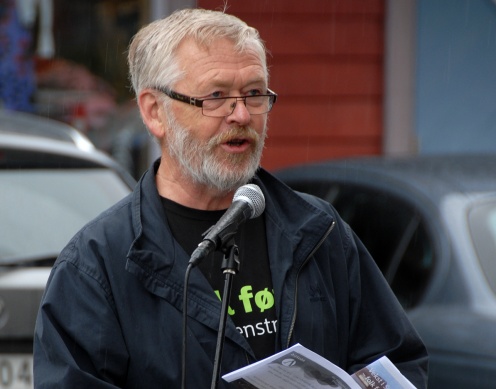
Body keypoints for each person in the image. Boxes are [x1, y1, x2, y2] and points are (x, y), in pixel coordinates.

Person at [33, 8, 428, 388]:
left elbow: (398, 361)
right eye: (216, 96)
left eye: (254, 93)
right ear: (155, 112)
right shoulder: (96, 265)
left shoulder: (318, 233)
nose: (241, 115)